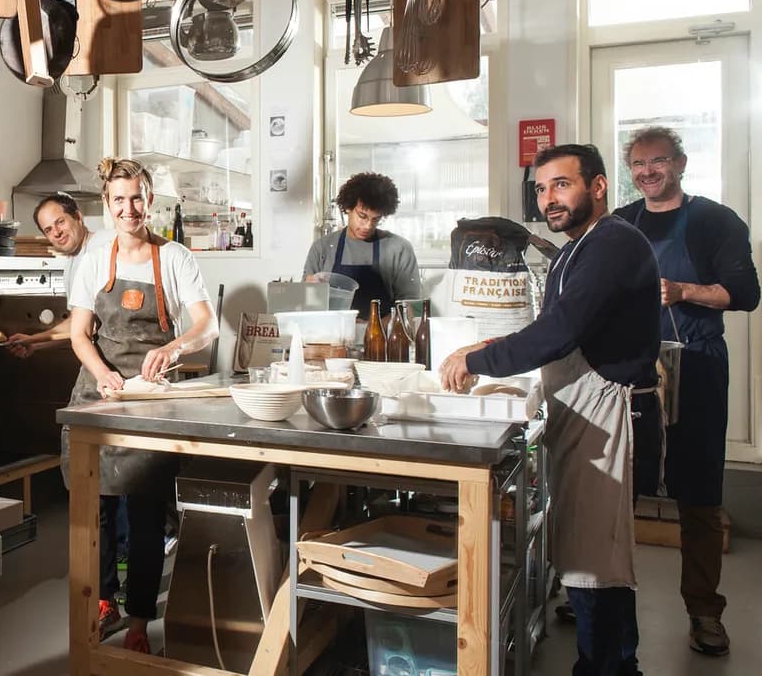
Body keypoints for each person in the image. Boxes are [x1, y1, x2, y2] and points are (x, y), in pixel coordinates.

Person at [439, 144, 660, 676]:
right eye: (541, 189)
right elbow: (555, 325)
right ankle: (612, 661)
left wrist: (480, 361)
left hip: (607, 413)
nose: (548, 199)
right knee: (591, 555)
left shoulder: (612, 244)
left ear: (599, 186)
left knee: (595, 560)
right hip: (581, 411)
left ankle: (607, 666)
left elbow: (562, 333)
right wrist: (487, 345)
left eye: (561, 184)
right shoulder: (573, 249)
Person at [612, 126, 759, 656]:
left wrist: (683, 291)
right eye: (639, 164)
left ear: (680, 163)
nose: (648, 172)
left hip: (696, 366)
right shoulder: (622, 223)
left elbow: (745, 293)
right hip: (631, 372)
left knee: (698, 494)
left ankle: (703, 610)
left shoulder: (716, 221)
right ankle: (601, 595)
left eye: (658, 161)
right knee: (618, 487)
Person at [64, 158, 218, 653]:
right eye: (118, 200)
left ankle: (139, 619)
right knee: (98, 508)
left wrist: (173, 348)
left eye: (136, 198)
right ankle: (104, 597)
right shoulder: (94, 257)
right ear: (107, 206)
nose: (128, 209)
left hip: (149, 399)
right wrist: (102, 372)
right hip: (100, 394)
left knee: (147, 512)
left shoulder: (174, 257)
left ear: (150, 201)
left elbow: (206, 325)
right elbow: (79, 334)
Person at [6, 192, 113, 358]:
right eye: (48, 230)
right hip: (101, 360)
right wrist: (35, 344)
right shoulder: (71, 263)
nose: (56, 232)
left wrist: (34, 339)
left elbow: (91, 325)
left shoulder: (104, 244)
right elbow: (77, 326)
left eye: (60, 222)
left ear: (78, 216)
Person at [302, 172, 421, 317]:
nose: (368, 226)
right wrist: (310, 290)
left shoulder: (398, 249)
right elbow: (305, 305)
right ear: (347, 208)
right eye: (362, 216)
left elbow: (410, 306)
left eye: (376, 219)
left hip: (382, 335)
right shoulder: (322, 248)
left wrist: (374, 328)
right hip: (334, 334)